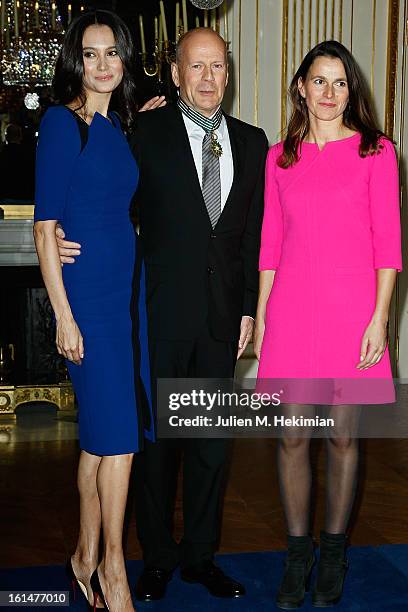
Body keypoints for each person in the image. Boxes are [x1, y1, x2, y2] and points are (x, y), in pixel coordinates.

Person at [57, 27, 269, 603]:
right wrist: (59, 240)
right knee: (153, 449)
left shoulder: (254, 143)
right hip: (152, 315)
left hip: (223, 319)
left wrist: (250, 309)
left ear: (228, 73)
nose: (207, 78)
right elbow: (99, 197)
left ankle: (201, 557)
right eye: (195, 67)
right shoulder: (141, 131)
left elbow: (250, 240)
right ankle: (155, 558)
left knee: (210, 447)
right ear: (175, 74)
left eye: (217, 67)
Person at [254, 40, 402, 609]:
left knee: (341, 435)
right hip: (292, 311)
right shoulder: (278, 157)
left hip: (352, 314)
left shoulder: (376, 151)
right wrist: (264, 318)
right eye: (319, 81)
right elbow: (270, 243)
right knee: (293, 435)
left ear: (352, 90)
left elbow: (387, 245)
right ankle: (298, 554)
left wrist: (379, 320)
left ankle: (334, 553)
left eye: (340, 83)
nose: (330, 93)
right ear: (300, 86)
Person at [34, 10, 164, 612]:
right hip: (86, 298)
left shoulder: (121, 125)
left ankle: (84, 556)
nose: (104, 63)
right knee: (119, 441)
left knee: (103, 437)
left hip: (126, 292)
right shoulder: (65, 124)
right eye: (91, 54)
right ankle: (114, 569)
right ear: (75, 63)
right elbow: (44, 229)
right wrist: (63, 315)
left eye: (113, 52)